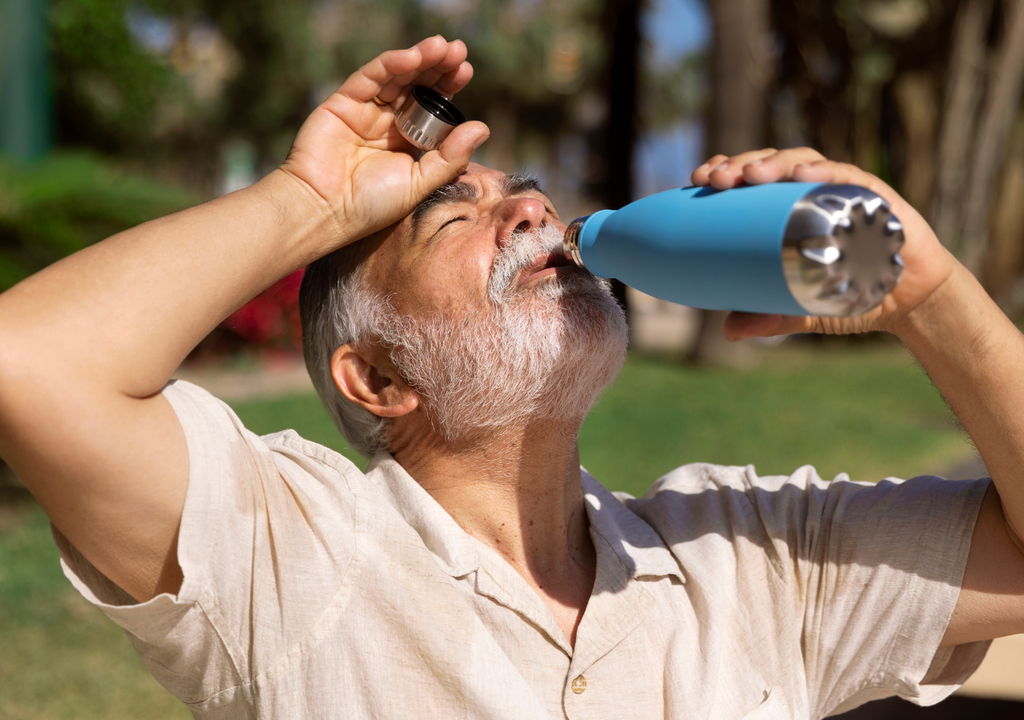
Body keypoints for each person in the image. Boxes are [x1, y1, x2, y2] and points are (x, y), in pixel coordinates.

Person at [0, 36, 1022, 719]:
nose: (532, 214)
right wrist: (309, 199)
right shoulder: (288, 556)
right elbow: (30, 362)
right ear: (376, 378)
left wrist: (925, 294)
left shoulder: (755, 561)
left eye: (529, 199)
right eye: (457, 216)